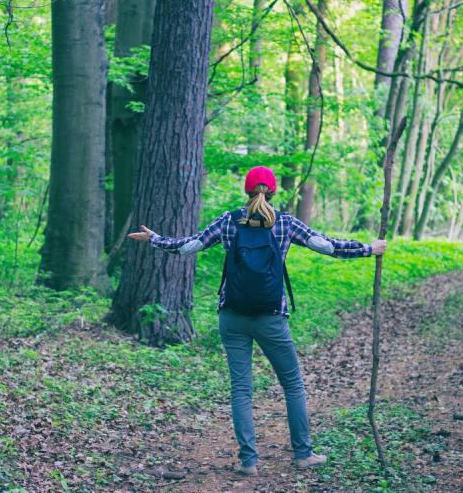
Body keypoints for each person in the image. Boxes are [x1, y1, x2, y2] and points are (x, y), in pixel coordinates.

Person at [127, 166, 386, 476]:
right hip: (271, 318)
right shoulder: (284, 223)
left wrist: (154, 238)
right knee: (292, 386)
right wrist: (368, 249)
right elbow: (327, 246)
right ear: (273, 191)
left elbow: (187, 246)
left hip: (232, 317)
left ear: (247, 191)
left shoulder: (228, 221)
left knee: (241, 389)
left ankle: (248, 461)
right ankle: (303, 454)